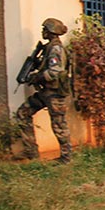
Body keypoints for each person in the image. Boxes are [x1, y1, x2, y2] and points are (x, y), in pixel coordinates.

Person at [15, 18, 72, 163]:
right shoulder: (47, 48)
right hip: (45, 92)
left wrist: (36, 77)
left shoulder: (56, 49)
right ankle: (31, 151)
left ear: (51, 32)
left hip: (55, 93)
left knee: (59, 125)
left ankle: (66, 157)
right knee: (23, 113)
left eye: (45, 29)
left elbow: (55, 72)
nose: (43, 32)